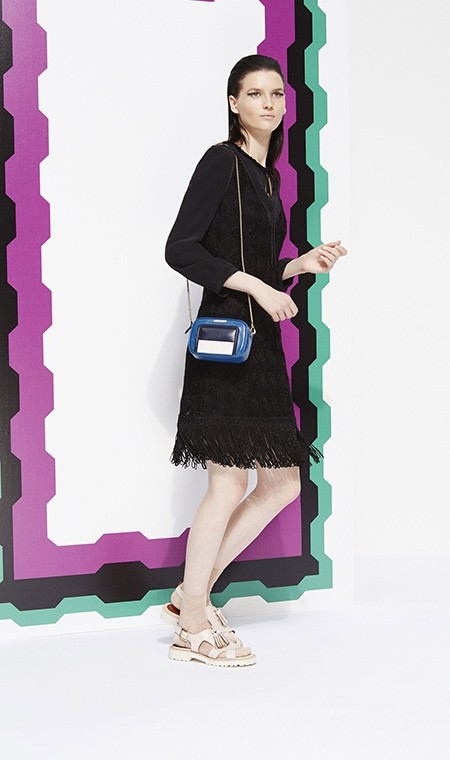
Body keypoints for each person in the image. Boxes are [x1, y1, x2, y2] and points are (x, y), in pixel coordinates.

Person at [163, 54, 347, 667]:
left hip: (259, 345)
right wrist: (256, 286)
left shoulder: (268, 176)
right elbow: (181, 249)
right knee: (228, 481)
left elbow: (261, 266)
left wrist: (298, 265)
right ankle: (192, 622)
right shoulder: (221, 161)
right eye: (255, 94)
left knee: (283, 483)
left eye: (277, 94)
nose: (269, 103)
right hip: (226, 344)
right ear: (233, 103)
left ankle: (189, 598)